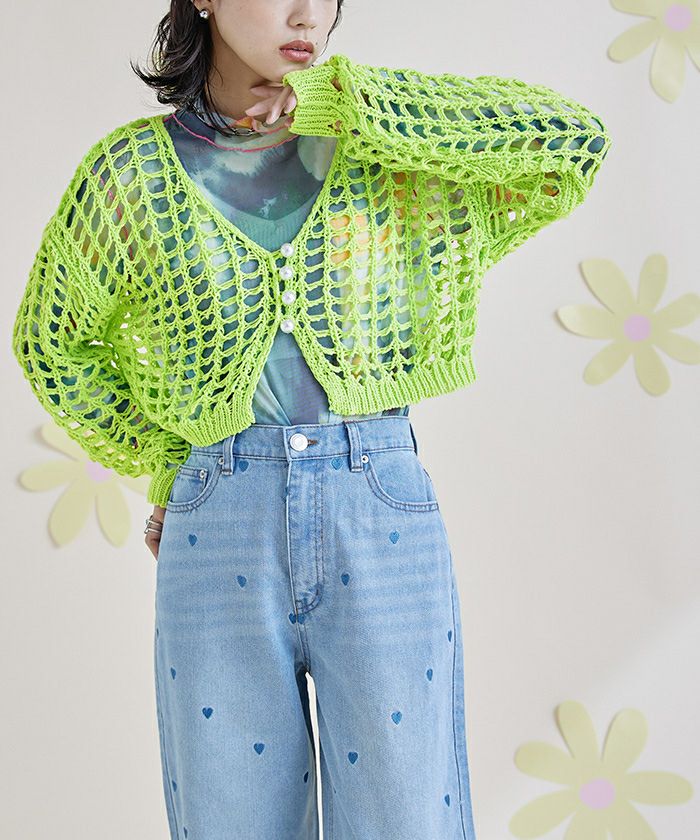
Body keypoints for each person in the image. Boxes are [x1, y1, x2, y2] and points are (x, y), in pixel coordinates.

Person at [12, 1, 612, 837]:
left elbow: (571, 143)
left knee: (408, 818)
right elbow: (52, 341)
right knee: (229, 820)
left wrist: (350, 104)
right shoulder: (131, 176)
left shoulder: (384, 147)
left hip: (380, 511)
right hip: (219, 520)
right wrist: (170, 461)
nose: (305, 13)